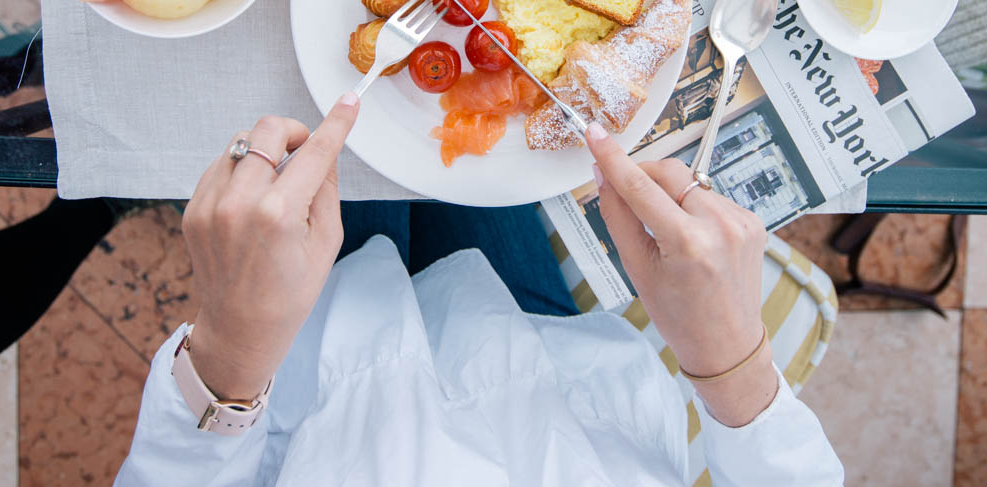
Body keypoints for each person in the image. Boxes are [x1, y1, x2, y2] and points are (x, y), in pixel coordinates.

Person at [115, 93, 843, 486]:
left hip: (301, 382)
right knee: (452, 109)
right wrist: (736, 368)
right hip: (542, 351)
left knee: (318, 96)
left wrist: (231, 356)